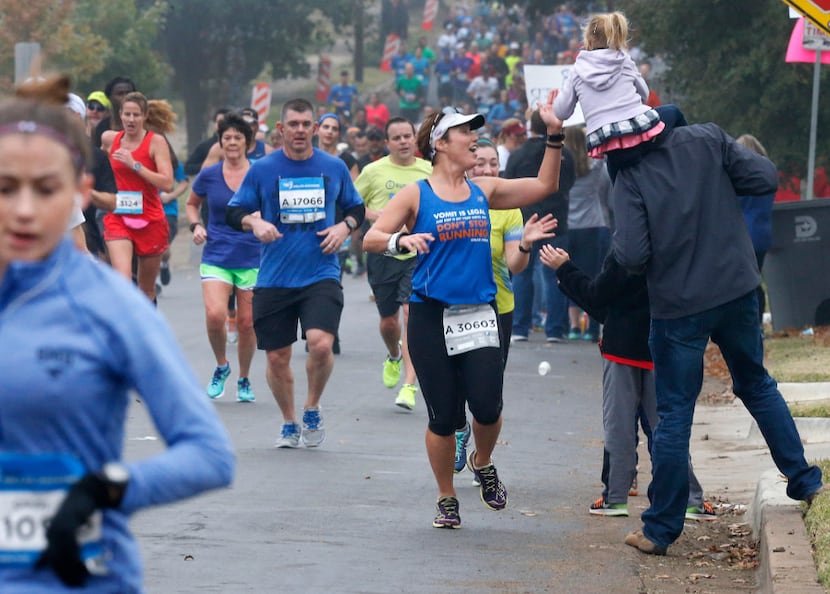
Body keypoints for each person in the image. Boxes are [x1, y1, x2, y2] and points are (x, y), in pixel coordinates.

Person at [0, 74, 234, 592]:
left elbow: (210, 454)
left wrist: (104, 490)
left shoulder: (111, 307)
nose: (23, 208)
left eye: (45, 188)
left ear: (81, 192)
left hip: (77, 577)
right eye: (4, 187)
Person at [612, 118, 825, 555]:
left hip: (678, 306)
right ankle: (805, 482)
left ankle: (660, 530)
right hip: (736, 287)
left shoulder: (630, 173)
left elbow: (631, 255)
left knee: (673, 414)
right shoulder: (707, 139)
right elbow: (763, 176)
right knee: (757, 385)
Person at [362, 94, 564, 529]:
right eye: (465, 132)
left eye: (476, 131)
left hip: (480, 312)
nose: (475, 139)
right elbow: (372, 237)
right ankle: (445, 496)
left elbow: (545, 186)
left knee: (487, 407)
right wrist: (402, 241)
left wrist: (554, 135)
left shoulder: (484, 190)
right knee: (444, 415)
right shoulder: (417, 194)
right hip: (431, 315)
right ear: (440, 142)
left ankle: (482, 460)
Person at [225, 98, 366, 449]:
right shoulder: (262, 169)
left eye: (306, 124)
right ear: (281, 129)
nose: (300, 130)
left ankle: (312, 406)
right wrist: (254, 221)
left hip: (321, 272)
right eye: (294, 124)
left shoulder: (332, 167)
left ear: (315, 129)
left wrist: (343, 228)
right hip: (274, 277)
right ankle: (289, 420)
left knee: (320, 344)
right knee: (276, 357)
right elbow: (235, 210)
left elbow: (357, 207)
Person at [539, 247, 714, 520]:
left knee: (619, 426)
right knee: (667, 429)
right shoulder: (680, 248)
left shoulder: (627, 253)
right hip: (666, 349)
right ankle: (689, 498)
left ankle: (616, 497)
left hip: (622, 350)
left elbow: (597, 297)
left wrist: (565, 269)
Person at [453, 137, 557, 474]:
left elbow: (514, 266)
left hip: (497, 308)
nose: (486, 169)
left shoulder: (508, 208)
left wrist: (524, 244)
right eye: (479, 163)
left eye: (492, 164)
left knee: (486, 392)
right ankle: (457, 428)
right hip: (454, 307)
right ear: (467, 164)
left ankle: (481, 457)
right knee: (453, 383)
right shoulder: (447, 202)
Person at [354, 116, 433, 410]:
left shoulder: (428, 171)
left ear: (415, 139)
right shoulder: (373, 171)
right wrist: (375, 216)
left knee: (412, 314)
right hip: (383, 254)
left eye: (407, 136)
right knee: (389, 321)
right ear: (387, 143)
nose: (403, 142)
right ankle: (394, 354)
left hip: (419, 253)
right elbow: (351, 203)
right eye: (396, 137)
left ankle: (410, 385)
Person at [186, 114, 260, 403]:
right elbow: (192, 204)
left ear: (247, 143)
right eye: (226, 138)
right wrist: (196, 225)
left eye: (237, 138)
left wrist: (263, 218)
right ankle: (221, 366)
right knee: (216, 315)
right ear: (220, 142)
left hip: (252, 256)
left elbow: (274, 206)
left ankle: (244, 378)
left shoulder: (259, 173)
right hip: (216, 253)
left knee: (247, 323)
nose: (231, 142)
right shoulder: (209, 174)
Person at [553, 13, 663, 166]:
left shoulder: (577, 70)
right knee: (673, 113)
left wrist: (555, 101)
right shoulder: (623, 59)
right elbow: (644, 95)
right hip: (635, 125)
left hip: (602, 136)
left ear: (588, 40)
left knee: (614, 162)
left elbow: (561, 112)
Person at [505, 110, 575, 343]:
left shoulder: (518, 154)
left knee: (522, 274)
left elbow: (508, 184)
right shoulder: (564, 153)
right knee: (555, 273)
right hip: (556, 219)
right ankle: (555, 329)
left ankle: (519, 327)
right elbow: (569, 183)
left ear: (530, 126)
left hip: (525, 220)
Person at [101, 91, 174, 302]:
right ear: (120, 115)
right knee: (123, 282)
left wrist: (135, 165)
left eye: (136, 115)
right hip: (119, 215)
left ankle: (145, 333)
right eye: (127, 115)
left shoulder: (155, 142)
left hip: (150, 218)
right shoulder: (109, 139)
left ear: (144, 116)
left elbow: (167, 183)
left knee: (146, 290)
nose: (131, 120)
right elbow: (95, 163)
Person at [562, 125, 611, 341]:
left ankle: (573, 325)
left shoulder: (562, 169)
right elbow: (603, 154)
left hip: (566, 225)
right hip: (592, 225)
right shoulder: (594, 167)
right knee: (591, 276)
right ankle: (592, 327)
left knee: (568, 273)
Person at [736, 134, 775, 324]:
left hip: (743, 235)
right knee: (756, 280)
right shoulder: (766, 173)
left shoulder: (739, 177)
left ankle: (751, 323)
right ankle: (757, 322)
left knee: (745, 285)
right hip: (763, 234)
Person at [91, 76, 137, 147]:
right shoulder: (101, 128)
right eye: (120, 94)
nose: (125, 97)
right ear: (109, 98)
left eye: (128, 93)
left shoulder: (143, 125)